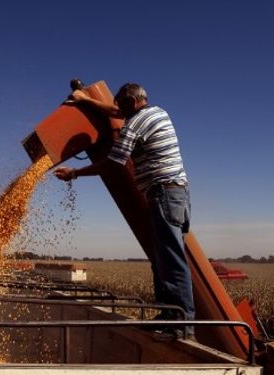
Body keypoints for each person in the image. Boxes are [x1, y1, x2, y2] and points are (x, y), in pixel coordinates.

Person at [54, 83, 195, 339]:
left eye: (120, 105)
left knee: (172, 262)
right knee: (162, 259)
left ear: (130, 102)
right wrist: (85, 99)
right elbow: (114, 111)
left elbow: (114, 164)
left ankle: (182, 327)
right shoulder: (157, 112)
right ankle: (168, 316)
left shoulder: (134, 124)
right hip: (174, 194)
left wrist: (74, 173)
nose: (117, 110)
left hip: (164, 194)